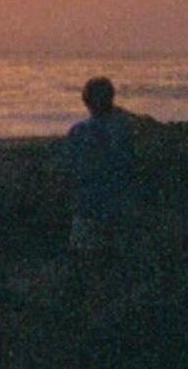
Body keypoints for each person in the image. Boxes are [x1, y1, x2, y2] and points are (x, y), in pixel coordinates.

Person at [60, 75, 140, 254]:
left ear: (86, 102)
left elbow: (67, 167)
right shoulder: (123, 130)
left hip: (87, 207)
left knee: (86, 260)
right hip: (119, 207)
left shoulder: (79, 132)